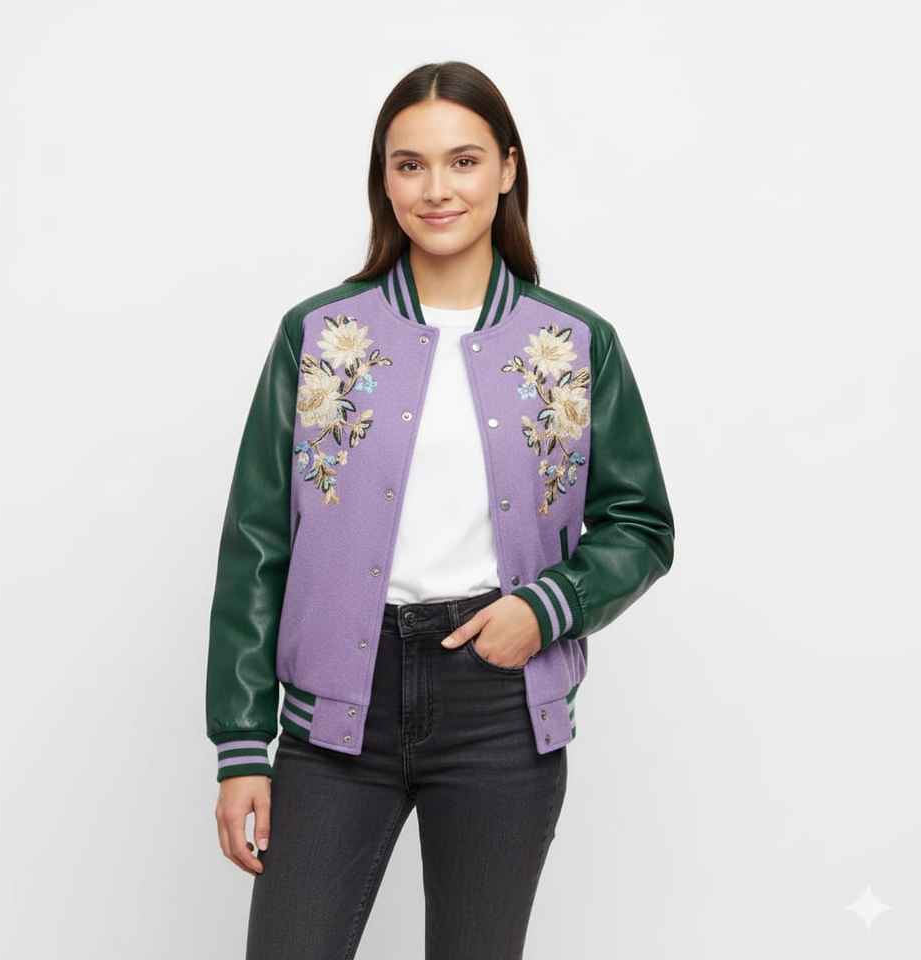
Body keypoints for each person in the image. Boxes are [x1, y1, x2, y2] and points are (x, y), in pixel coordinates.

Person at [205, 60, 675, 960]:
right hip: (336, 711)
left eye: (463, 161)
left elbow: (641, 524)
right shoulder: (319, 336)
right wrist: (240, 745)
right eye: (409, 164)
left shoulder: (575, 343)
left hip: (499, 707)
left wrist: (545, 610)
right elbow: (257, 541)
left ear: (507, 168)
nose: (437, 189)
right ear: (383, 180)